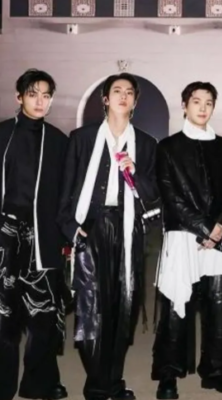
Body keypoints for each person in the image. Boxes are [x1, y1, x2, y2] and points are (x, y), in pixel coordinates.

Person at [57, 73, 159, 400]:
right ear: (105, 98)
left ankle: (111, 381)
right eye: (117, 91)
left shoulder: (146, 144)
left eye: (129, 92)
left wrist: (136, 172)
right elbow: (66, 188)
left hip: (128, 229)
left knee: (122, 307)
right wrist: (71, 228)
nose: (123, 96)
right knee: (91, 308)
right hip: (92, 227)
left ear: (135, 101)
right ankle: (99, 384)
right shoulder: (83, 138)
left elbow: (153, 196)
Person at [151, 81, 222, 399]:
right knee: (176, 305)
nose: (203, 108)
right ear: (184, 105)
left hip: (218, 236)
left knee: (219, 305)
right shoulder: (168, 147)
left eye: (208, 102)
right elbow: (170, 194)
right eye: (196, 101)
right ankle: (168, 374)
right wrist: (204, 227)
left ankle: (217, 371)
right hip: (182, 234)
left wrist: (220, 226)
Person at [0, 69, 69, 400]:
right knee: (3, 314)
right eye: (32, 94)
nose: (40, 101)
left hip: (43, 237)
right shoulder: (2, 134)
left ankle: (38, 383)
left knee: (44, 315)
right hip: (4, 236)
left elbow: (67, 194)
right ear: (19, 97)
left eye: (46, 95)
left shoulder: (58, 141)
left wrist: (67, 237)